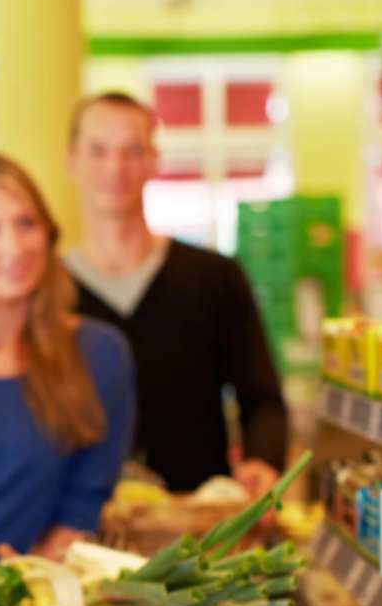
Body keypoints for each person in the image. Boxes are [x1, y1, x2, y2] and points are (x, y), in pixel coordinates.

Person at [65, 91, 288, 495]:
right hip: (79, 532)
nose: (115, 167)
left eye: (132, 150)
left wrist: (261, 460)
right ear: (72, 161)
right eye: (97, 150)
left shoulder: (214, 277)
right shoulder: (48, 291)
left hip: (201, 532)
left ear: (154, 160)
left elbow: (263, 398)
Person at [0, 151, 136, 580]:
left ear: (48, 232)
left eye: (26, 224)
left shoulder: (100, 355)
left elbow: (83, 504)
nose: (14, 246)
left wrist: (30, 579)